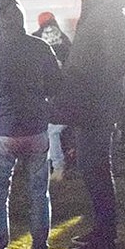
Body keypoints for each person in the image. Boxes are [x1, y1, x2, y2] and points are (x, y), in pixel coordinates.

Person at [0, 0, 62, 249]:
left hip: (5, 128)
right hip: (36, 126)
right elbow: (55, 84)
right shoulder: (40, 46)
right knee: (39, 191)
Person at [53, 0, 125, 249]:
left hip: (95, 106)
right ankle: (101, 230)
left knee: (96, 167)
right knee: (90, 167)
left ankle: (106, 236)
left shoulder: (108, 14)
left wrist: (96, 99)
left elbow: (112, 63)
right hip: (89, 104)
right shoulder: (96, 12)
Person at [33, 12, 72, 180]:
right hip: (69, 93)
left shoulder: (37, 42)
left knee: (50, 130)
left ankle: (56, 166)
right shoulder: (66, 40)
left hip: (50, 95)